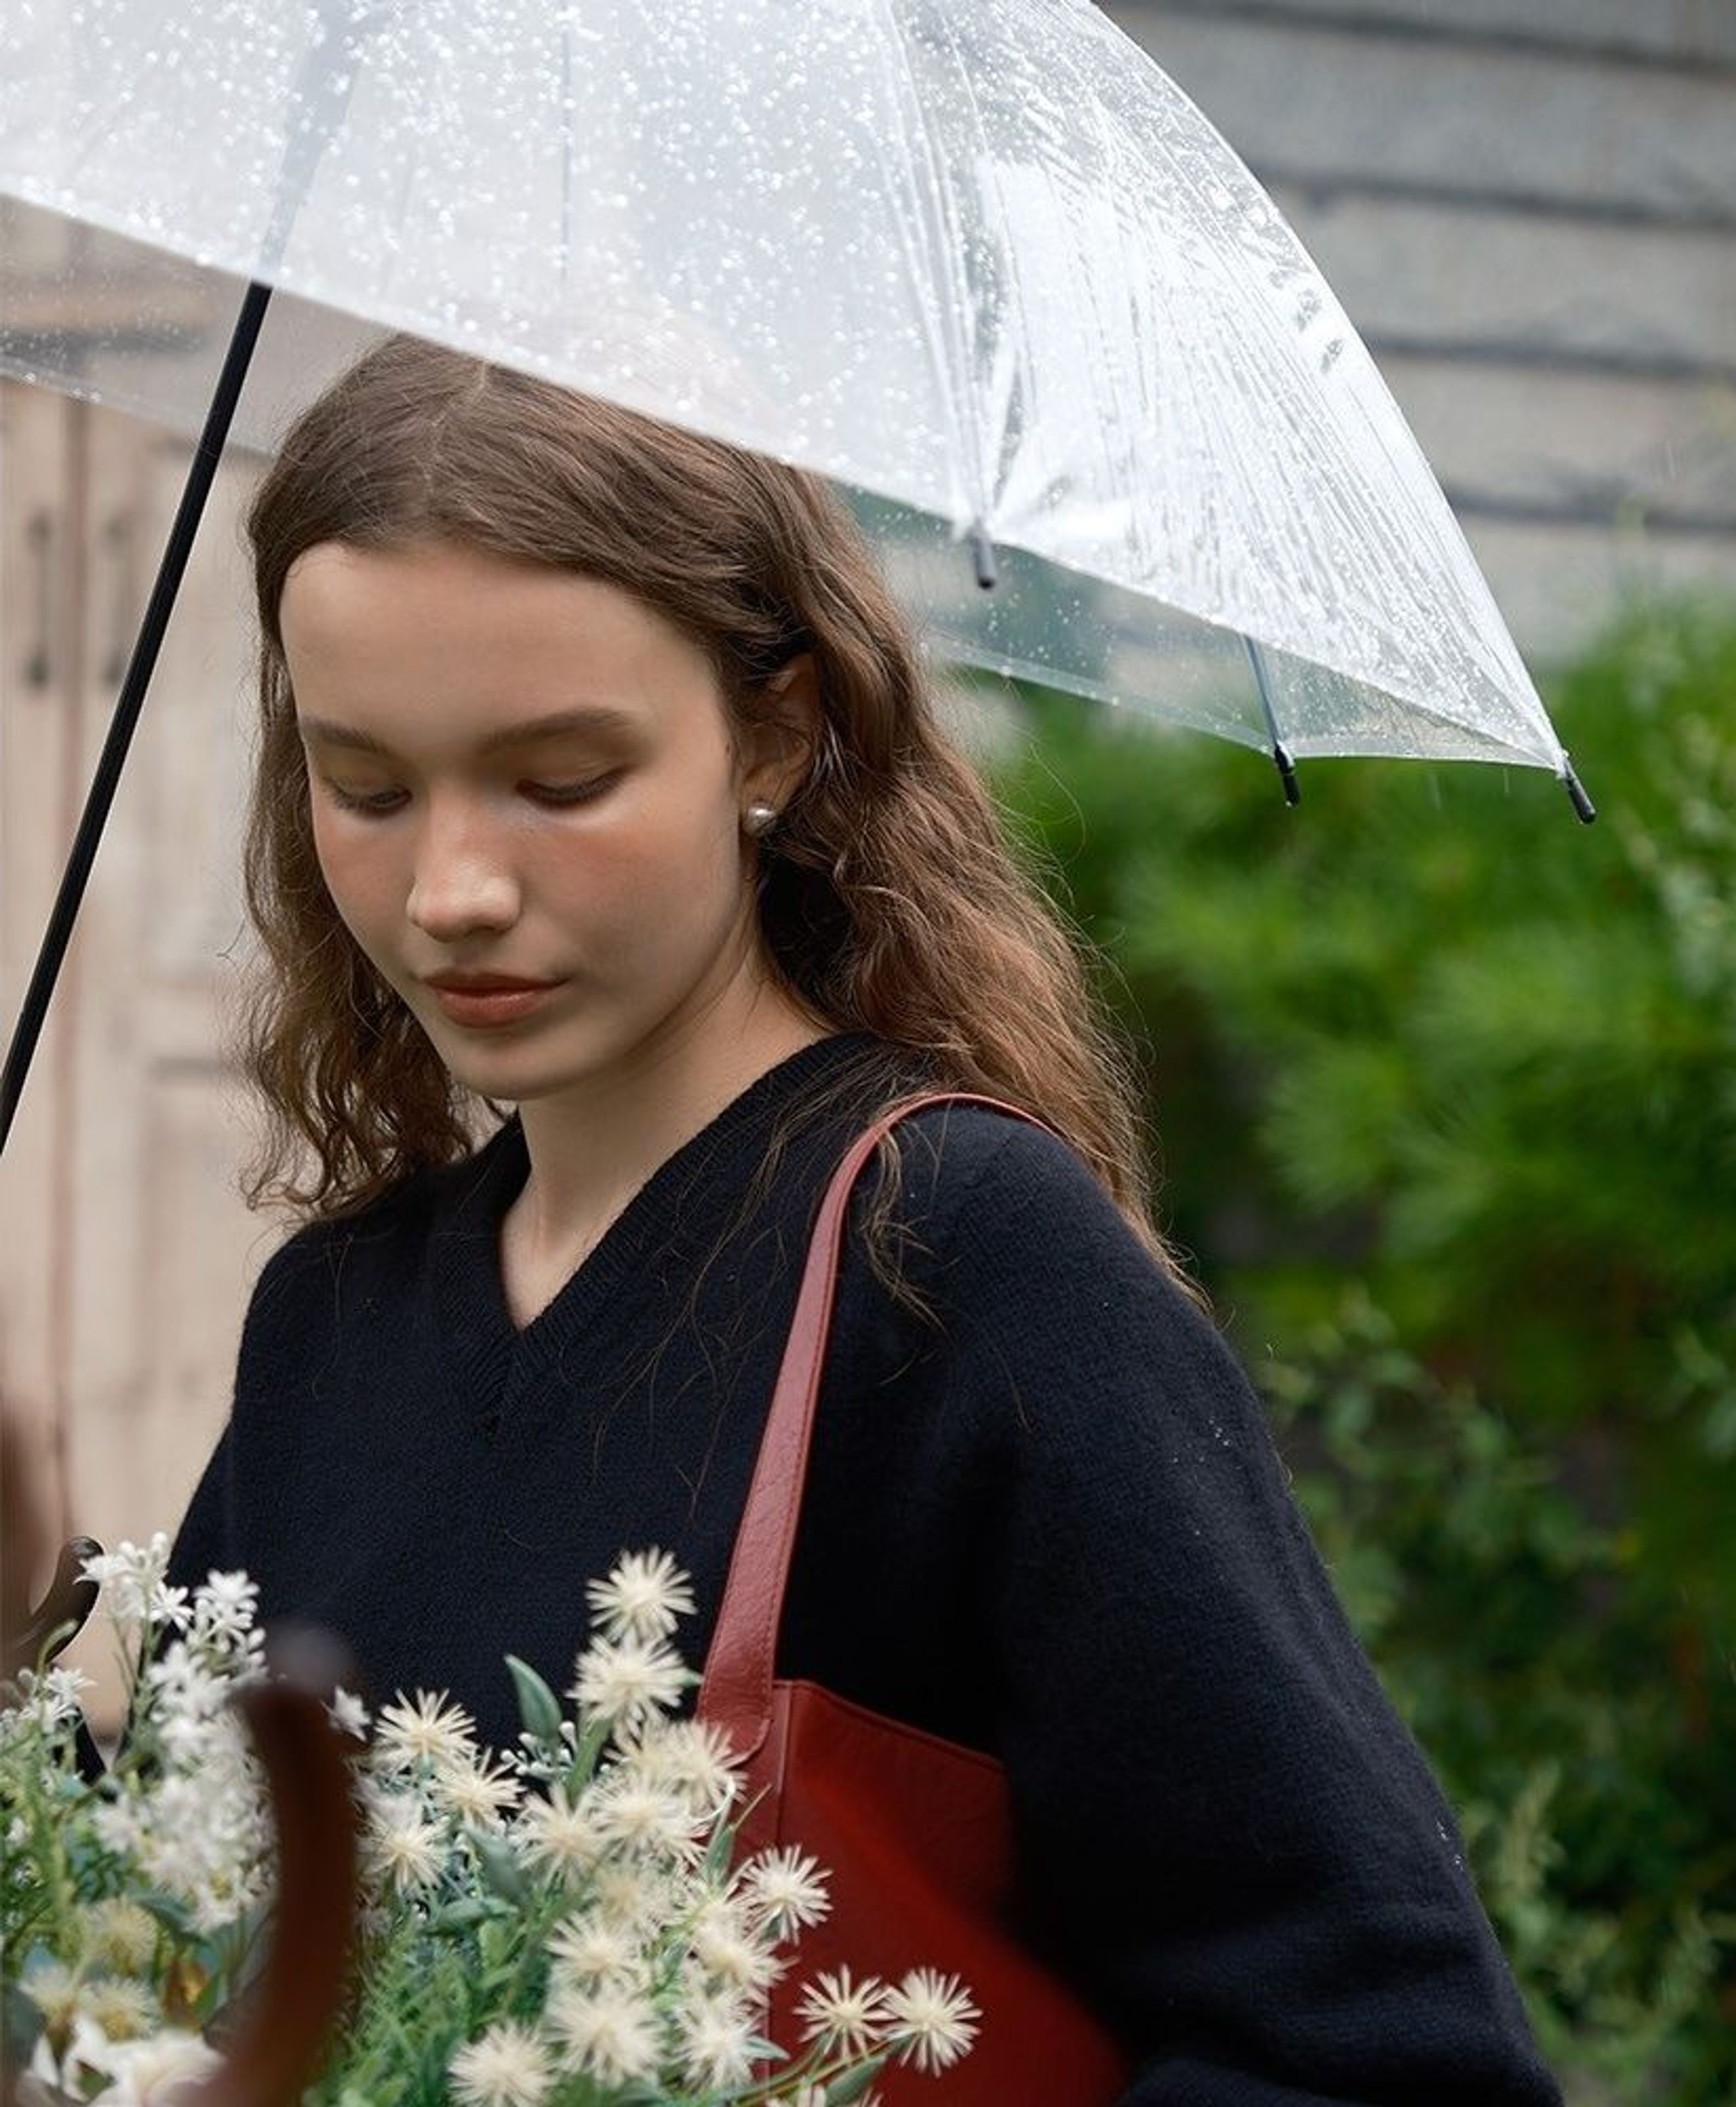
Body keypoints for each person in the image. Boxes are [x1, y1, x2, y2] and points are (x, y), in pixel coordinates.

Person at [165, 333, 1562, 2104]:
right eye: (366, 786)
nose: (453, 889)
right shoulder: (332, 1321)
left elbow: (1388, 2054)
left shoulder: (958, 1259)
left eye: (563, 778)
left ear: (777, 734)